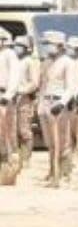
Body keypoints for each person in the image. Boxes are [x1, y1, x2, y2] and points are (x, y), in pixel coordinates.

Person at [36, 30, 78, 187]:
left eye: (50, 44)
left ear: (60, 46)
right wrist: (40, 105)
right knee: (50, 141)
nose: (47, 47)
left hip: (59, 104)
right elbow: (43, 85)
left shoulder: (68, 62)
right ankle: (52, 170)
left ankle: (64, 173)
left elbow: (72, 86)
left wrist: (61, 103)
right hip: (46, 102)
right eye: (46, 44)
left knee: (62, 140)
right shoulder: (46, 63)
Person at [12, 34, 39, 171]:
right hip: (11, 99)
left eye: (20, 46)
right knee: (13, 130)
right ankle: (16, 159)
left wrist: (21, 90)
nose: (16, 48)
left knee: (24, 131)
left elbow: (34, 83)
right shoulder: (13, 60)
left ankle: (26, 158)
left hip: (24, 100)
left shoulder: (29, 62)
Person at [0, 29, 19, 181]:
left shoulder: (9, 54)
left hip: (3, 95)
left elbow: (14, 76)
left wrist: (8, 95)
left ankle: (8, 166)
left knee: (4, 133)